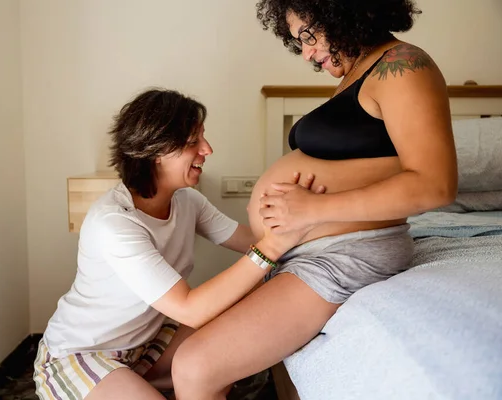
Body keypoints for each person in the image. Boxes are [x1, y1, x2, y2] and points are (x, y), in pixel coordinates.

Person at [171, 1, 458, 398]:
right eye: (298, 41)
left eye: (309, 35)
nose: (306, 52)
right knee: (171, 357)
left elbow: (435, 184)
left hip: (344, 254)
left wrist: (313, 209)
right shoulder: (360, 73)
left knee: (194, 367)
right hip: (301, 250)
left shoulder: (404, 66)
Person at [32, 88, 323, 400]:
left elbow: (249, 242)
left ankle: (143, 383)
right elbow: (191, 309)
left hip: (145, 345)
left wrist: (303, 215)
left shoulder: (187, 201)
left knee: (223, 351)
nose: (207, 149)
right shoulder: (114, 224)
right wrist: (273, 247)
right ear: (156, 149)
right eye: (193, 141)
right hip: (82, 354)